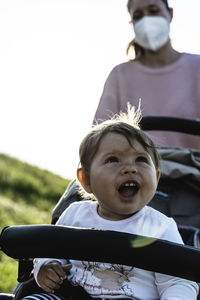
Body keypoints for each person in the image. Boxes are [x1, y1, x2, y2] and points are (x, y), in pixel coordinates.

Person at [31, 105, 198, 300]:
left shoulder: (160, 228)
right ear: (86, 180)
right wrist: (46, 266)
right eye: (113, 160)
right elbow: (49, 251)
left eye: (141, 159)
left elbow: (177, 281)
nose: (130, 168)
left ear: (157, 177)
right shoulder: (74, 216)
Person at [94, 0, 200, 150]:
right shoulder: (120, 76)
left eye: (153, 10)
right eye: (138, 15)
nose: (146, 20)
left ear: (170, 14)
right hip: (136, 171)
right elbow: (100, 139)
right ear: (132, 23)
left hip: (193, 168)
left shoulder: (197, 67)